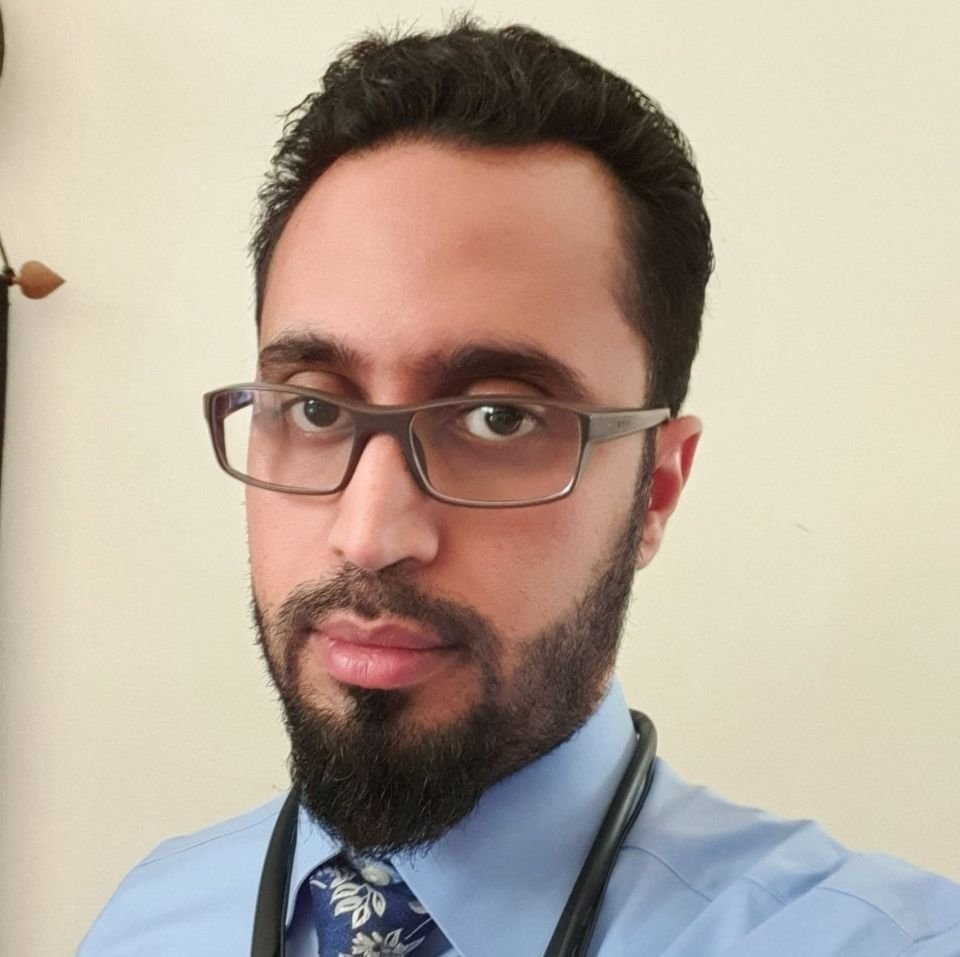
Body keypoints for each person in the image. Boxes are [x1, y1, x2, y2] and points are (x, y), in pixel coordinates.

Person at [78, 19, 960, 957]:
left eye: (499, 417)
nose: (369, 533)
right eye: (315, 407)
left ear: (655, 490)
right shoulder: (147, 921)